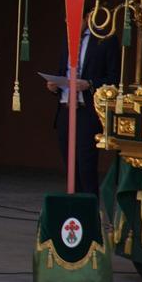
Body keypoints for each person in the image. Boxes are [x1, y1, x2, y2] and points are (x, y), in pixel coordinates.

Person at [48, 26, 120, 194]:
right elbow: (63, 71)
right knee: (69, 165)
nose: (68, 21)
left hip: (86, 111)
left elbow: (114, 78)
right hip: (65, 108)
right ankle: (73, 209)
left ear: (87, 16)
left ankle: (90, 211)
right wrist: (55, 86)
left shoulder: (105, 39)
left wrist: (89, 84)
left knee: (86, 165)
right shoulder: (69, 39)